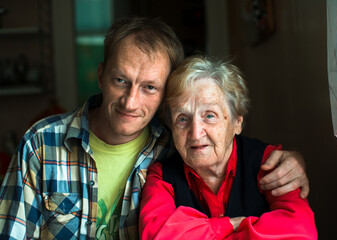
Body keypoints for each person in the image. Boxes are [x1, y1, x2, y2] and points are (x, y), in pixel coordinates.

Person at [0, 17, 308, 240]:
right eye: (120, 80)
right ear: (100, 75)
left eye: (149, 87)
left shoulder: (178, 144)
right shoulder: (41, 143)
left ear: (164, 97)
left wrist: (295, 161)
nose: (130, 102)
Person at [139, 55, 317, 239]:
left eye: (209, 115)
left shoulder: (268, 162)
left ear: (237, 122)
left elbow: (301, 231)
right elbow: (156, 235)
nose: (195, 133)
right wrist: (232, 224)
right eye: (182, 118)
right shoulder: (161, 176)